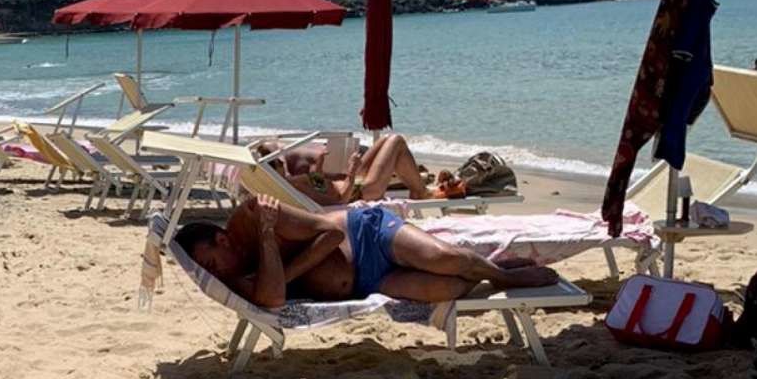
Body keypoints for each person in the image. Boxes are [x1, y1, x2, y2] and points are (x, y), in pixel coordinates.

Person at [175, 195, 555, 308]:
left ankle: (505, 274)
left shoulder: (255, 213)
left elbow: (325, 233)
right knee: (450, 288)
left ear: (222, 239)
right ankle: (490, 265)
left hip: (366, 234)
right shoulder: (236, 278)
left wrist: (269, 234)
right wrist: (271, 243)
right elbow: (272, 299)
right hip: (368, 283)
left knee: (447, 261)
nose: (217, 274)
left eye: (212, 263)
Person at [254, 131, 466, 202]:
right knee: (396, 141)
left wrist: (319, 165)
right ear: (278, 163)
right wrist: (353, 169)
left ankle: (419, 185)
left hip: (349, 182)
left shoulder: (291, 183)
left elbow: (320, 187)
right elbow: (340, 199)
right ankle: (420, 191)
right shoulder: (296, 183)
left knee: (386, 140)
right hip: (362, 191)